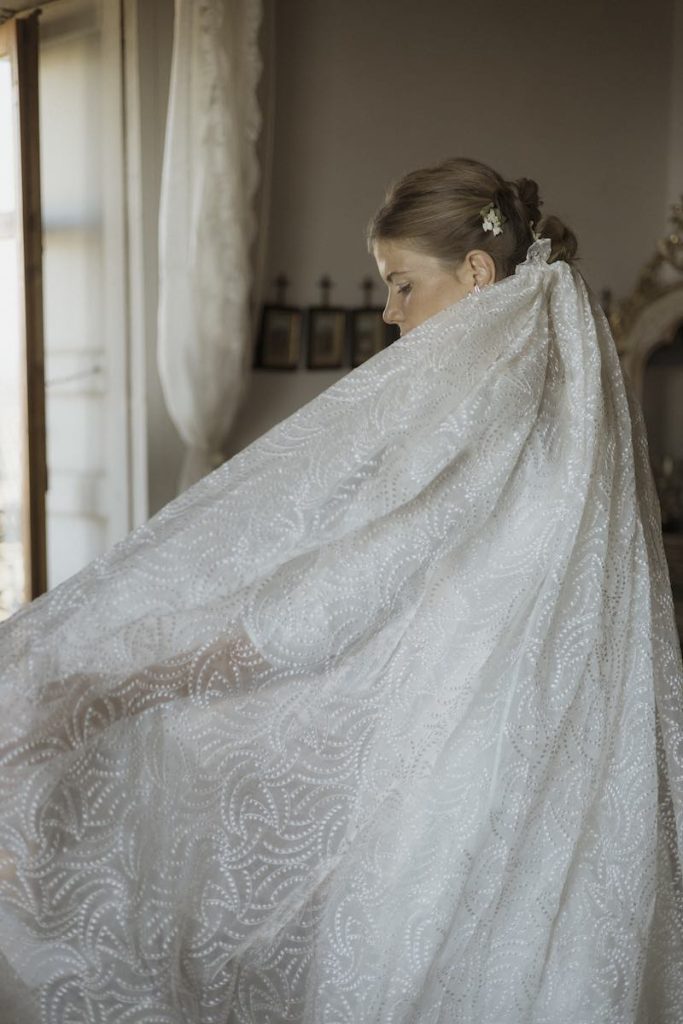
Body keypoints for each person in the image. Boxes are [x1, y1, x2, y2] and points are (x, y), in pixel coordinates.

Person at [0, 156, 681, 1023]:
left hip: (473, 774)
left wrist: (135, 679)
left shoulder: (482, 404)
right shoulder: (566, 374)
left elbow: (340, 595)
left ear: (476, 272)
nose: (389, 313)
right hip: (570, 756)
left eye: (402, 286)